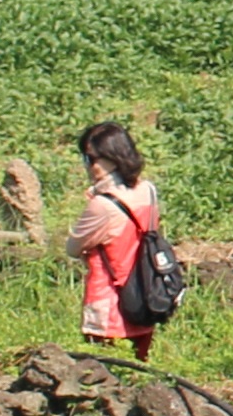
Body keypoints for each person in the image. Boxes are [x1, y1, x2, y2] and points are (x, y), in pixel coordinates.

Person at [70, 121, 167, 359]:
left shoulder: (103, 205)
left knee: (104, 377)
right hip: (146, 295)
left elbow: (73, 247)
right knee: (139, 370)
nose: (88, 166)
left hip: (109, 305)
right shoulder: (148, 190)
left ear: (112, 158)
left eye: (92, 159)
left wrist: (95, 198)